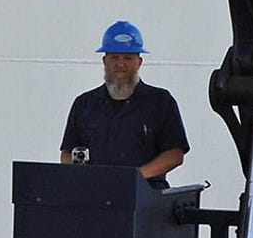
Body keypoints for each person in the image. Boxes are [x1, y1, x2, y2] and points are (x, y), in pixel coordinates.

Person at [58, 20, 188, 186]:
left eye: (127, 58)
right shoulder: (84, 104)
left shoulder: (161, 102)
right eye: (114, 57)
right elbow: (67, 153)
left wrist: (135, 178)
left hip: (145, 195)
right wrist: (85, 176)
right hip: (93, 194)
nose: (120, 64)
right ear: (104, 61)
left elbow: (175, 154)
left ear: (139, 62)